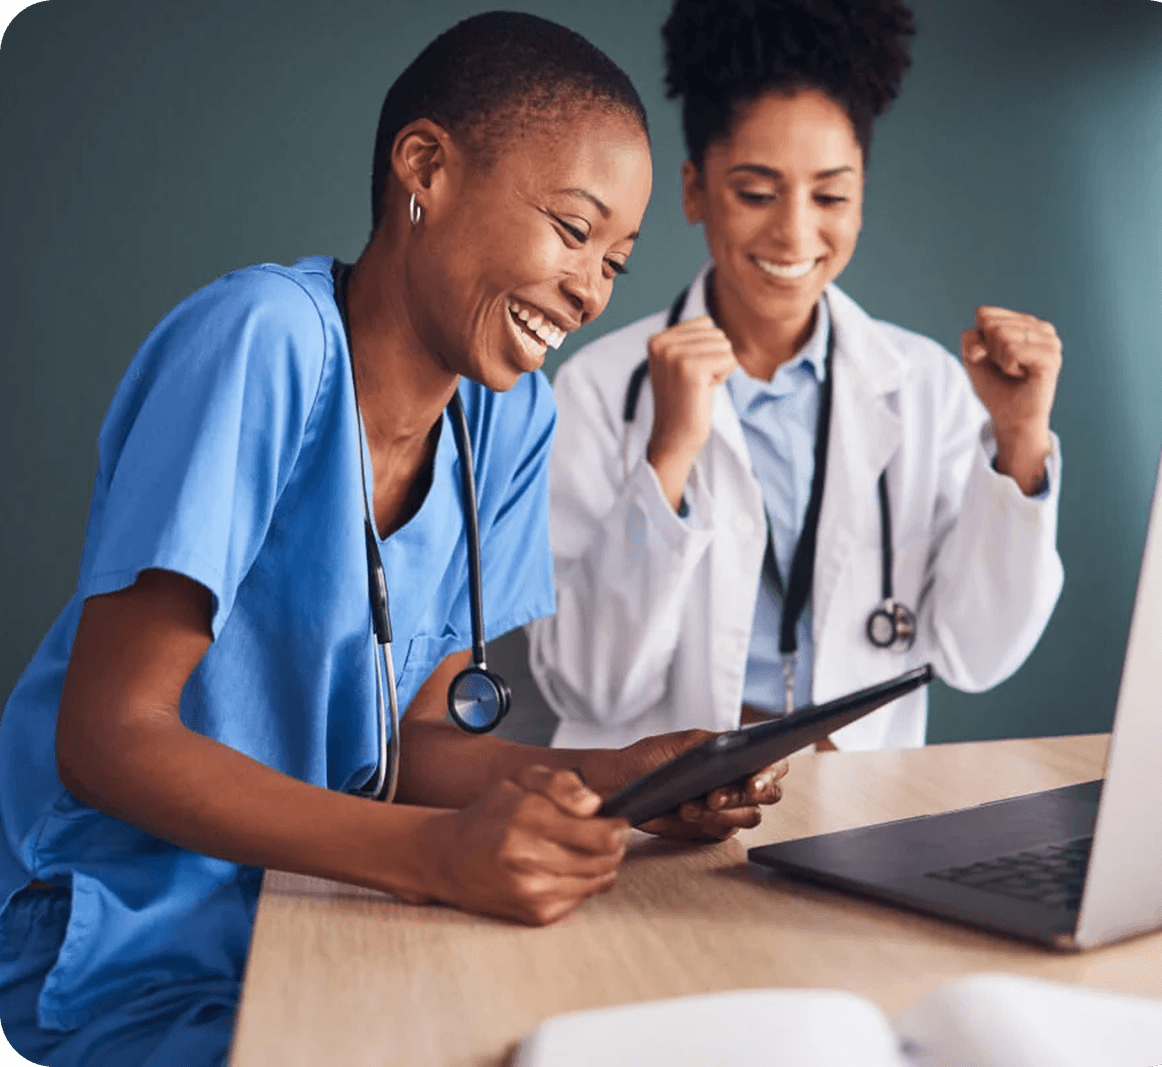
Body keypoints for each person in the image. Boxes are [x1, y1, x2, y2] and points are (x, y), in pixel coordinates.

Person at [0, 14, 787, 1066]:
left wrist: (620, 777)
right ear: (426, 167)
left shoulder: (509, 418)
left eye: (616, 259)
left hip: (316, 905)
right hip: (119, 932)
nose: (592, 287)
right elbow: (107, 738)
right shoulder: (261, 339)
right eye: (569, 227)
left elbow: (414, 747)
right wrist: (435, 858)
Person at [527, 0, 1065, 751]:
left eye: (832, 195)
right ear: (693, 191)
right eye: (755, 192)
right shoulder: (598, 389)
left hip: (861, 811)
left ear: (863, 194)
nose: (794, 231)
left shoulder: (927, 386)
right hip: (662, 818)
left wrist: (1019, 439)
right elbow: (586, 685)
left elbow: (976, 655)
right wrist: (669, 456)